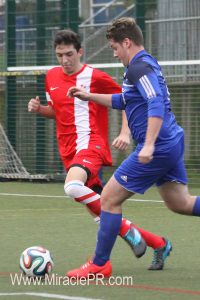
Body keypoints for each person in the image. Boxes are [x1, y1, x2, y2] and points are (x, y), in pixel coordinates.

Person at [66, 16, 200, 279]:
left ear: (127, 42)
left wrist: (148, 145)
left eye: (115, 48)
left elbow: (156, 102)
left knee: (109, 199)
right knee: (180, 202)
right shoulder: (141, 66)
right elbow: (125, 100)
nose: (115, 54)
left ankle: (99, 264)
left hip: (158, 147)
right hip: (169, 142)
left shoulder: (139, 67)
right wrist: (89, 96)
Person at [28, 28, 172, 271]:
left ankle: (121, 241)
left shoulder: (94, 76)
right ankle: (159, 243)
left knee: (72, 187)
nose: (65, 60)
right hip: (70, 153)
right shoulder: (51, 76)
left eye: (69, 54)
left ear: (80, 52)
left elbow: (128, 99)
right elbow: (57, 111)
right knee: (104, 215)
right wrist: (40, 109)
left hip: (91, 145)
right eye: (59, 55)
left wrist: (125, 132)